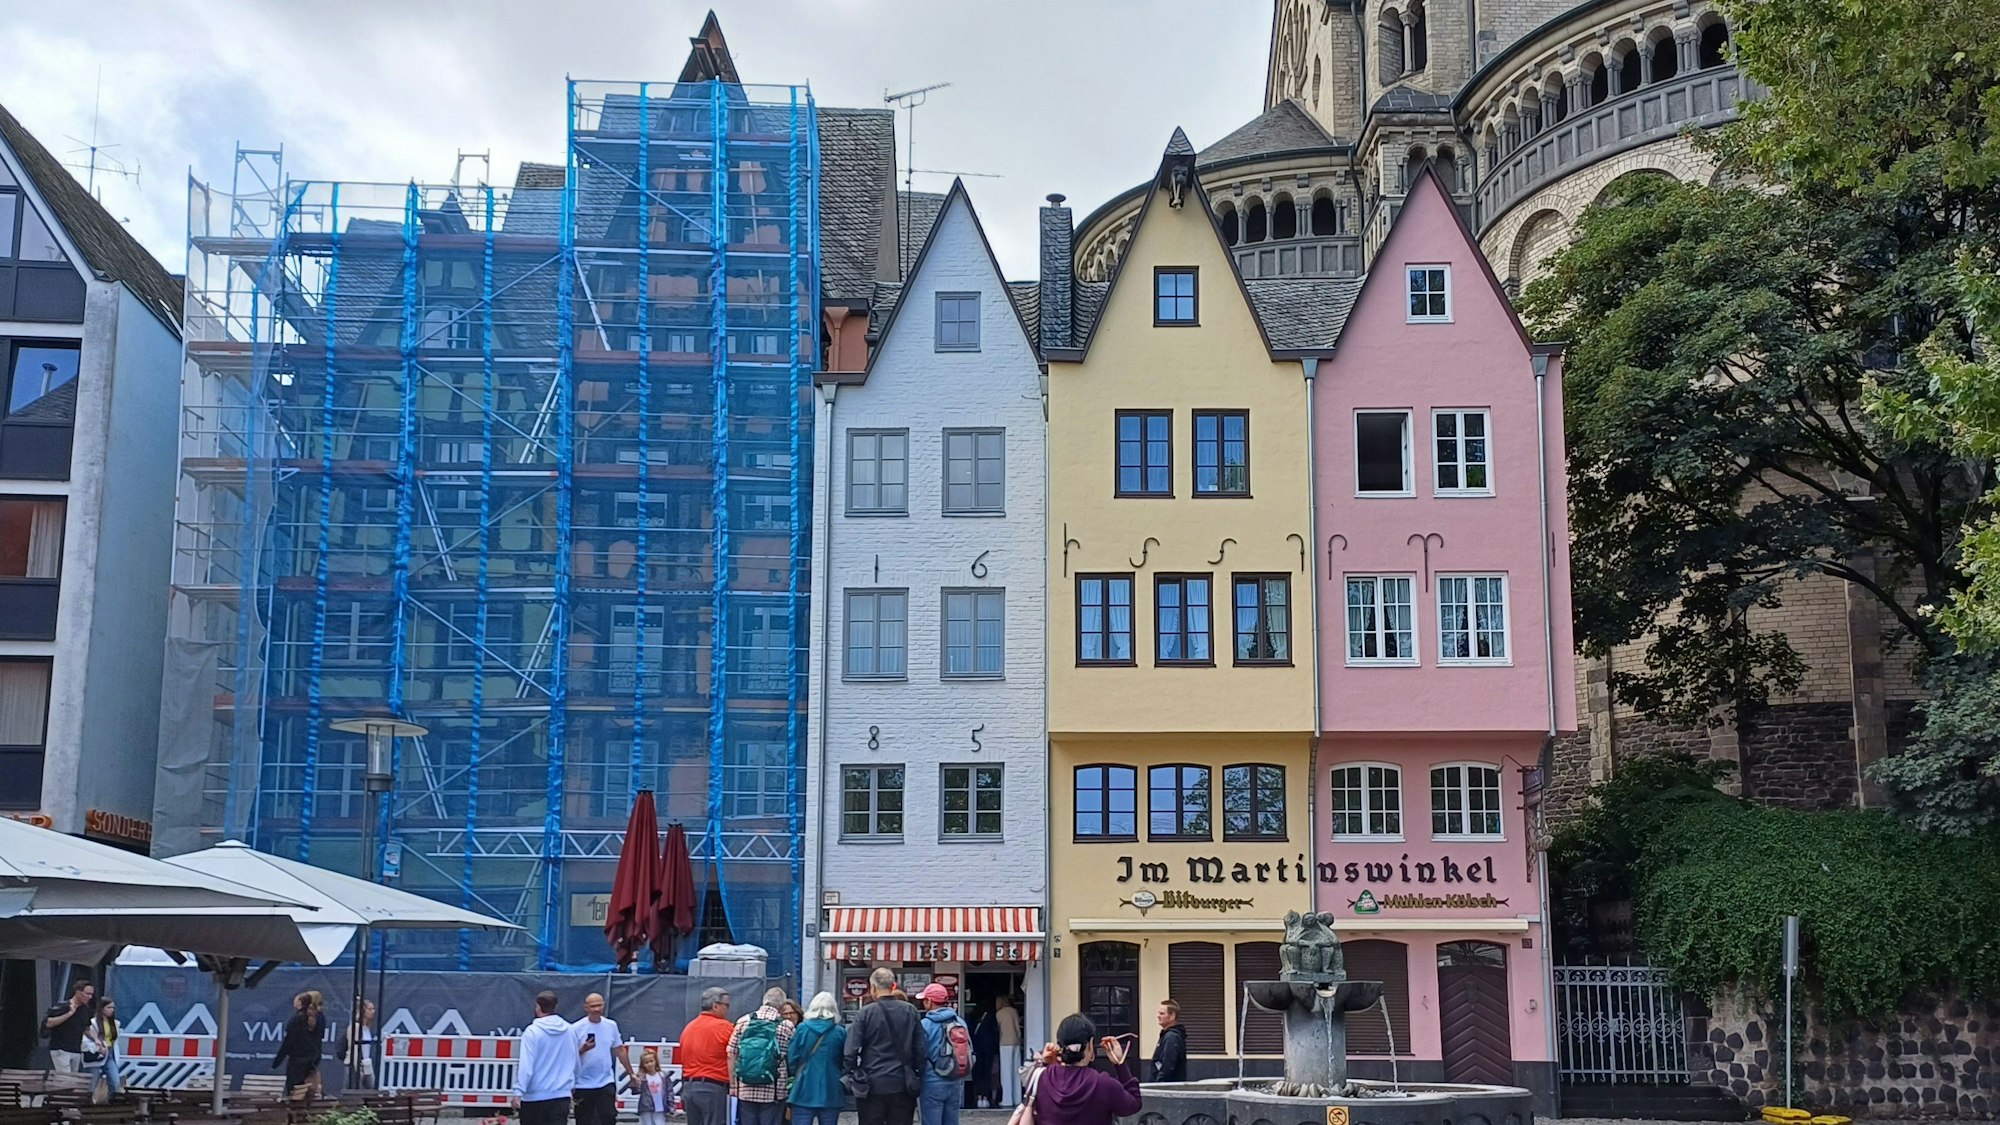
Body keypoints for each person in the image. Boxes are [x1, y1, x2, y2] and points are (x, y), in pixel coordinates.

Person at [843, 967, 926, 1125]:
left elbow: (850, 1050)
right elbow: (920, 1049)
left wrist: (852, 1072)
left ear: (873, 988)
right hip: (902, 1083)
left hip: (872, 1083)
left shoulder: (865, 1013)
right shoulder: (910, 1011)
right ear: (893, 986)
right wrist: (917, 1073)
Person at [1025, 1014, 1142, 1125]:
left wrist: (1045, 1064)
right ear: (1090, 1044)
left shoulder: (1041, 1077)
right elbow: (1133, 1104)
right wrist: (1120, 1064)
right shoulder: (1103, 1084)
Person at [730, 986, 795, 1125]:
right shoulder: (786, 1026)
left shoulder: (743, 1021)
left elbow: (731, 1053)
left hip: (745, 1088)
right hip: (774, 1089)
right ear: (782, 1005)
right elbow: (794, 1055)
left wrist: (733, 1085)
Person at [512, 990, 578, 1125]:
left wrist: (518, 1091)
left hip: (535, 1095)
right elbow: (575, 1060)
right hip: (561, 1094)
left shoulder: (532, 1031)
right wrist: (573, 1084)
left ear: (537, 1007)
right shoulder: (569, 1030)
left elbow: (526, 1065)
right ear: (555, 1006)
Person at [570, 992, 633, 1125]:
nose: (597, 1009)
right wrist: (583, 1049)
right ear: (586, 1008)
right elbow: (569, 1056)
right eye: (593, 1006)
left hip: (605, 1080)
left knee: (608, 1117)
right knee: (584, 1120)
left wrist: (631, 1074)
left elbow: (620, 1050)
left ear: (604, 1005)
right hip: (582, 1083)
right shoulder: (575, 1028)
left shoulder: (611, 1025)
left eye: (599, 1005)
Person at [786, 992, 847, 1125]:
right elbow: (845, 1060)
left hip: (803, 1089)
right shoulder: (840, 1032)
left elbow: (791, 1058)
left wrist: (795, 1074)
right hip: (831, 1090)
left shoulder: (802, 1029)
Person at [675, 987, 734, 1125]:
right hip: (713, 1088)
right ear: (715, 1006)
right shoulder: (724, 1027)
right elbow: (736, 1054)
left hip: (689, 1087)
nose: (728, 1009)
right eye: (726, 1005)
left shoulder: (689, 1027)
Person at [915, 984, 970, 1125]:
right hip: (955, 1081)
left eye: (924, 1000)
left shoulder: (925, 1024)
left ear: (929, 1001)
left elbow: (919, 1054)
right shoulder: (960, 1022)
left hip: (931, 1082)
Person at [272, 991, 326, 1102]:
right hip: (312, 1060)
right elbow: (319, 1040)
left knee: (294, 1093)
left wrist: (277, 1061)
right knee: (307, 1093)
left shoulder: (298, 1019)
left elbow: (289, 1041)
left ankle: (295, 1111)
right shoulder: (320, 1018)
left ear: (300, 1002)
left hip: (297, 1062)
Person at [43, 979, 96, 1074]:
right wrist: (69, 1014)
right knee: (65, 1077)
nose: (90, 997)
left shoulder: (86, 1010)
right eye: (87, 994)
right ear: (78, 992)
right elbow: (48, 1023)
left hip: (76, 1049)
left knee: (73, 1077)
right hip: (61, 1048)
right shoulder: (63, 1006)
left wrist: (96, 1040)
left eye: (91, 994)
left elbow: (86, 1029)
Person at [86, 996, 120, 1102]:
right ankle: (88, 1101)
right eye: (109, 1007)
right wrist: (98, 1048)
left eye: (113, 1008)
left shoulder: (115, 1023)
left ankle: (112, 1100)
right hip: (96, 1054)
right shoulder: (93, 1023)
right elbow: (87, 1040)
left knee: (115, 1081)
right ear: (102, 1008)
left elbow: (114, 1040)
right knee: (92, 1082)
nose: (112, 1010)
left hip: (109, 1054)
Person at [994, 996, 1022, 1107]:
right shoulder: (1014, 1011)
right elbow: (1018, 1027)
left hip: (1005, 1043)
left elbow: (998, 1030)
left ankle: (1007, 1099)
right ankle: (1017, 1098)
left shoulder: (999, 1014)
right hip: (1016, 1042)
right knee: (1016, 1071)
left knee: (1006, 1072)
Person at [1150, 1000, 1187, 1083]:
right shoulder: (1169, 1036)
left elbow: (1168, 1066)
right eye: (1158, 1013)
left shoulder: (1171, 1038)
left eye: (1162, 1013)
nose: (1158, 1016)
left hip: (1166, 1086)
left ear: (1172, 1016)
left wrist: (1158, 1084)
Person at [632, 1047, 671, 1125]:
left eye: (651, 1061)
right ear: (643, 1065)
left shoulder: (663, 1075)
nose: (649, 1064)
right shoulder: (642, 1077)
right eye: (646, 1062)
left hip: (660, 1107)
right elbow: (635, 1091)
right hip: (646, 1107)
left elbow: (669, 1091)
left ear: (656, 1061)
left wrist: (671, 1106)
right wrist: (635, 1083)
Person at [970, 1005, 1000, 1109]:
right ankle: (986, 1097)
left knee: (978, 1073)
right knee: (987, 1073)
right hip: (989, 1049)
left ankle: (978, 1097)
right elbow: (995, 1033)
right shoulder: (991, 1016)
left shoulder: (973, 1016)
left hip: (977, 1048)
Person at [344, 1000, 377, 1090]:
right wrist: (357, 1068)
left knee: (372, 1089)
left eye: (373, 1009)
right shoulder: (355, 1027)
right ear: (363, 1011)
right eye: (370, 1009)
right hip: (356, 1065)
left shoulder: (367, 1028)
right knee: (354, 1091)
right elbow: (354, 1048)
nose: (373, 1011)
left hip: (367, 1064)